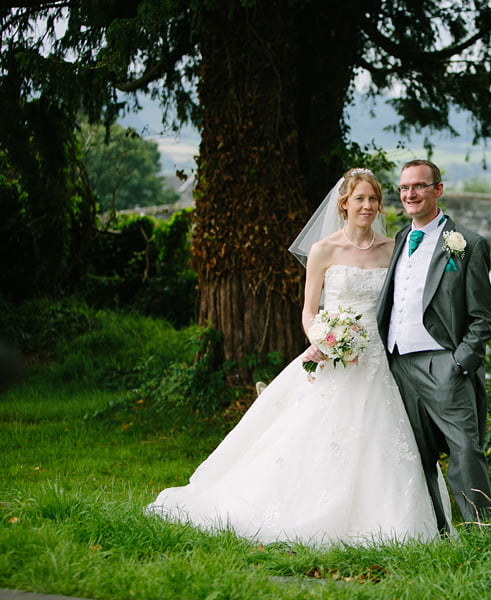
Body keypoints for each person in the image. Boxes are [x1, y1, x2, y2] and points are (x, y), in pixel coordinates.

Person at [148, 168, 449, 546]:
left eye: (373, 199)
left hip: (378, 358)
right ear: (344, 204)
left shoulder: (393, 249)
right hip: (332, 356)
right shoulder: (324, 250)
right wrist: (322, 339)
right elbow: (308, 311)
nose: (368, 206)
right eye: (359, 198)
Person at [376, 159, 491, 533]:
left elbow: (483, 317)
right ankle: (436, 532)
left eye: (419, 186)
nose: (410, 194)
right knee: (416, 454)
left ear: (438, 190)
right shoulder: (399, 239)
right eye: (404, 188)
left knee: (465, 449)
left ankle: (481, 529)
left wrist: (460, 363)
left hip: (443, 364)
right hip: (398, 363)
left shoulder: (467, 244)